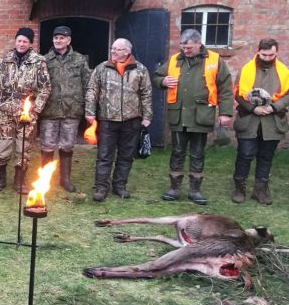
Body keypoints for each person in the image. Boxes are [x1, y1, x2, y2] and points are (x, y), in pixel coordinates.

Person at [154, 29, 233, 204]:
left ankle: (195, 190)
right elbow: (157, 76)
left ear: (199, 43)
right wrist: (163, 81)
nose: (185, 51)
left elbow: (225, 88)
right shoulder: (175, 59)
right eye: (183, 47)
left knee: (197, 153)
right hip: (179, 115)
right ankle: (174, 189)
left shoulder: (215, 60)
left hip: (201, 115)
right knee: (177, 152)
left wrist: (225, 113)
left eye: (189, 47)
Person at [85, 38, 152, 202]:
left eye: (117, 49)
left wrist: (147, 116)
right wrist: (90, 112)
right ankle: (101, 188)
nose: (113, 51)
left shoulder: (140, 69)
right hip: (107, 120)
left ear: (127, 52)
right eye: (112, 48)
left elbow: (146, 93)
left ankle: (119, 186)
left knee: (126, 156)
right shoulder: (101, 68)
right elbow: (92, 91)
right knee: (104, 156)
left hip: (132, 120)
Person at [0, 27, 51, 193]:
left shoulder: (39, 62)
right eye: (19, 40)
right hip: (5, 111)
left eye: (25, 41)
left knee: (23, 146)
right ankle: (0, 178)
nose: (21, 44)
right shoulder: (4, 60)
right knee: (2, 144)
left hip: (27, 112)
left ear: (30, 44)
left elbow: (45, 88)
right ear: (15, 41)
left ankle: (19, 180)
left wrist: (36, 110)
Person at [230, 38, 289, 205]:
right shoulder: (246, 70)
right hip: (249, 120)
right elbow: (237, 93)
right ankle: (239, 189)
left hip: (273, 122)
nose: (267, 58)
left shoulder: (284, 72)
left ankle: (260, 190)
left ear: (276, 53)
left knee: (266, 156)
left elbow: (287, 95)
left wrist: (273, 107)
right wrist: (253, 108)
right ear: (258, 51)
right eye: (264, 55)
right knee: (245, 154)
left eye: (271, 55)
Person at [39, 26, 91, 192]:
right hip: (50, 110)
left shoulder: (79, 60)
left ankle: (65, 179)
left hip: (72, 110)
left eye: (62, 38)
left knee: (67, 146)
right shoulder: (44, 60)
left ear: (68, 40)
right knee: (47, 146)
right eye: (56, 38)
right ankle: (44, 180)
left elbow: (88, 84)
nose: (58, 40)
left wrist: (88, 108)